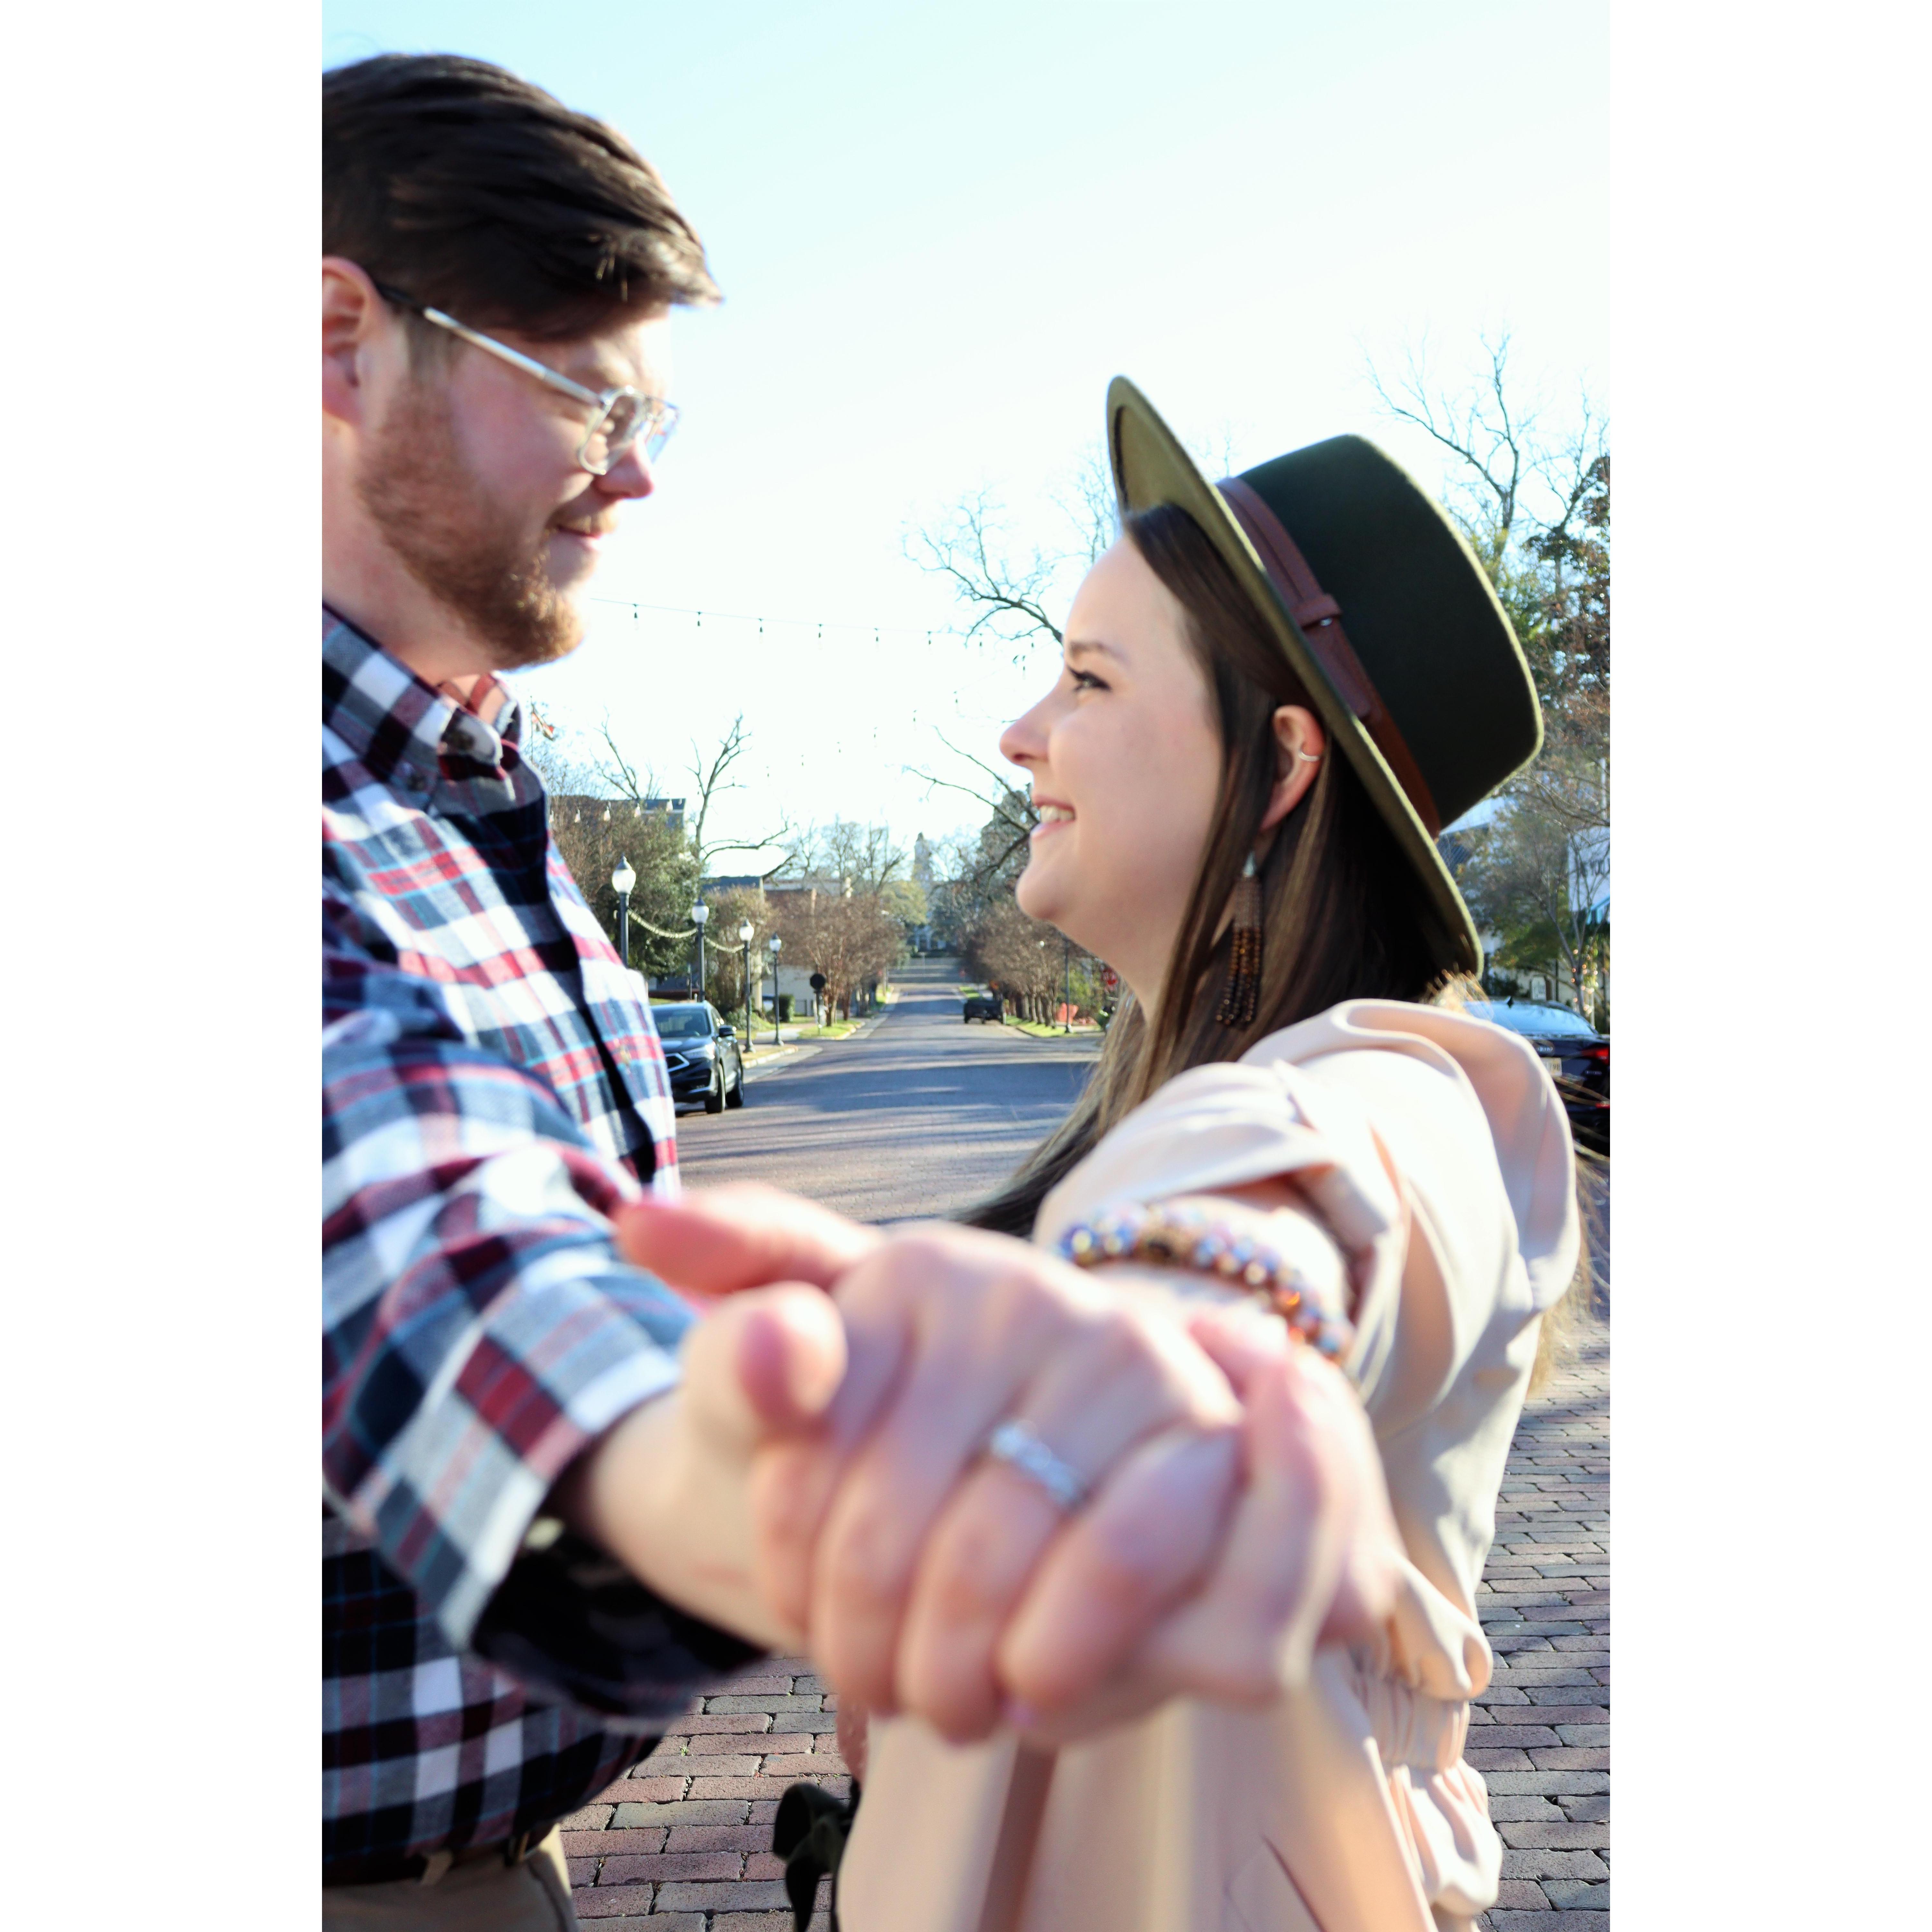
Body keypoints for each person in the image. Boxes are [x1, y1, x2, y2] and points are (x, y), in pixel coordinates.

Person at [322, 59, 1395, 1931]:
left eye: (1094, 681)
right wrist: (768, 1490)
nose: (643, 470)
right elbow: (422, 1221)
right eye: (592, 397)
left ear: (1281, 766)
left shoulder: (478, 808)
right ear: (338, 341)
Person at [626, 381, 1584, 1931]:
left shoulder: (1413, 1091)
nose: (1020, 735)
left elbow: (1309, 1185)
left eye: (1084, 679)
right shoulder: (1152, 1109)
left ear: (1281, 768)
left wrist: (1179, 1316)